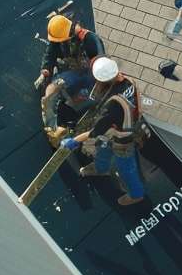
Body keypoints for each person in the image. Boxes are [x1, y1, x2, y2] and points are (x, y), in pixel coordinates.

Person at [61, 57, 146, 206]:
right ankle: (101, 169)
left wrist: (74, 141)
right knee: (103, 149)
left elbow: (94, 132)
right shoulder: (126, 81)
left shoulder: (112, 106)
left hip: (123, 139)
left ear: (103, 81)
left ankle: (136, 194)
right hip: (122, 127)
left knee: (126, 168)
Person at [34, 14, 105, 146]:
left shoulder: (91, 40)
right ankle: (53, 130)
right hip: (75, 73)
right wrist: (45, 69)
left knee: (86, 100)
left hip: (92, 77)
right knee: (51, 90)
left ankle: (84, 122)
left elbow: (101, 68)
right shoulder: (60, 38)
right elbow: (50, 54)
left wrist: (89, 93)